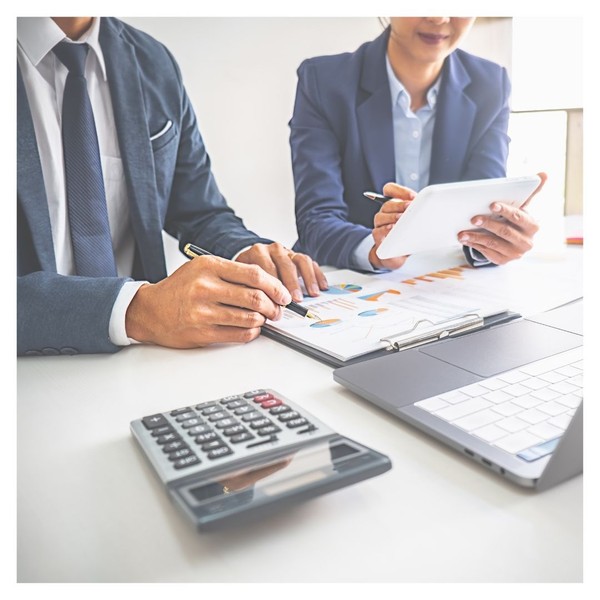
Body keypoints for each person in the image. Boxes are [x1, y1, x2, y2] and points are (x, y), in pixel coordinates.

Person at [17, 17, 328, 356]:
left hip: (143, 361)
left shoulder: (153, 62)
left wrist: (244, 252)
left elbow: (198, 210)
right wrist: (136, 309)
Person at [289, 16, 544, 271]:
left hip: (447, 283)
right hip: (350, 281)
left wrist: (498, 239)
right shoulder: (324, 81)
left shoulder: (490, 84)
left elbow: (481, 213)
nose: (438, 17)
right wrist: (378, 250)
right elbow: (316, 219)